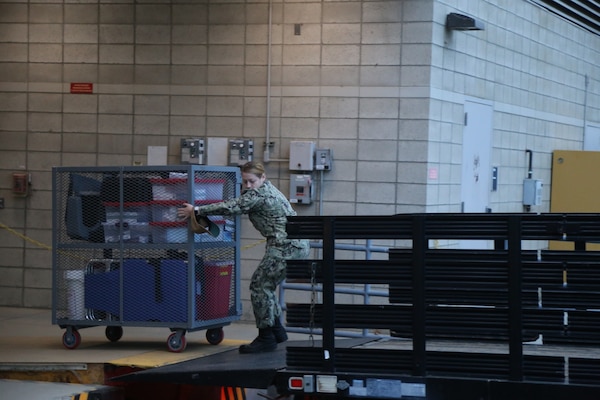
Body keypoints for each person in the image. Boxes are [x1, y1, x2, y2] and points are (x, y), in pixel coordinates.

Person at [177, 161, 310, 353]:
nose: (248, 186)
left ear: (262, 178)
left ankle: (266, 337)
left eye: (252, 181)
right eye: (244, 182)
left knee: (259, 285)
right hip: (294, 245)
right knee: (267, 286)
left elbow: (233, 206)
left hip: (285, 246)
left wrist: (197, 210)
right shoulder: (270, 189)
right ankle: (276, 332)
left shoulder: (258, 195)